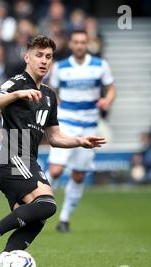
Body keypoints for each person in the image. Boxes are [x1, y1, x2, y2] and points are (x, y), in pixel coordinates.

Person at [0, 35, 106, 267]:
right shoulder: (18, 82)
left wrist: (79, 141)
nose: (44, 61)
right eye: (39, 55)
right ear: (27, 57)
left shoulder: (50, 96)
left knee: (37, 217)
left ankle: (3, 261)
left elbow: (54, 137)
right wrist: (17, 95)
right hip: (13, 156)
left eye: (49, 57)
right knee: (48, 204)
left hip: (27, 159)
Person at [47, 29, 116, 233]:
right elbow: (52, 92)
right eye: (76, 42)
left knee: (78, 175)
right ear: (70, 44)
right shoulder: (60, 67)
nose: (79, 45)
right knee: (56, 170)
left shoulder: (99, 65)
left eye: (83, 42)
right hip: (66, 123)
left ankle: (65, 218)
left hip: (89, 126)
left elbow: (111, 88)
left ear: (88, 44)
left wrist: (108, 100)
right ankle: (37, 209)